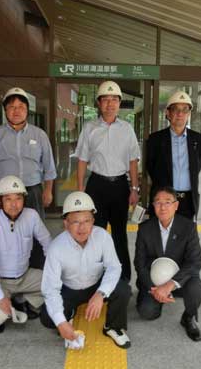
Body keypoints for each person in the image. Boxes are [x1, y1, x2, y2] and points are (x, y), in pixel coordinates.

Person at [40, 191, 132, 349]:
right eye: (75, 222)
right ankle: (68, 316)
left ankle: (113, 327)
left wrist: (101, 293)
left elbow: (114, 267)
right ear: (66, 223)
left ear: (93, 221)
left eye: (87, 221)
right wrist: (61, 323)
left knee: (123, 290)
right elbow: (50, 289)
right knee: (48, 318)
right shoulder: (56, 248)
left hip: (95, 285)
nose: (82, 227)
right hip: (69, 289)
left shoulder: (103, 236)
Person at [0, 87, 56, 269]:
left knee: (36, 233)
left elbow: (49, 166)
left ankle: (37, 271)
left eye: (21, 106)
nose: (16, 111)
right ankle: (9, 274)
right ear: (5, 110)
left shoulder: (39, 135)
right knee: (7, 234)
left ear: (27, 110)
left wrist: (47, 190)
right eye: (12, 107)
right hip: (5, 194)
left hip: (32, 191)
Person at [74, 81, 140, 281]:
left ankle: (124, 277)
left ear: (119, 103)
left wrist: (134, 188)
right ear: (99, 103)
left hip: (120, 186)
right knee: (95, 234)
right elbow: (82, 160)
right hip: (97, 186)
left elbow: (133, 161)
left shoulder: (127, 129)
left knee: (120, 234)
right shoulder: (89, 128)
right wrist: (80, 191)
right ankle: (95, 276)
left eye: (114, 100)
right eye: (105, 99)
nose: (110, 104)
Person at [0, 175, 52, 334]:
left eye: (18, 198)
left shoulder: (31, 215)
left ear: (24, 200)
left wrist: (54, 269)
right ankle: (4, 300)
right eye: (8, 199)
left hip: (24, 276)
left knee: (57, 282)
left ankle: (22, 300)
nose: (14, 204)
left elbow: (47, 242)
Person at [134, 186, 201, 341]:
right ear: (153, 206)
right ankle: (158, 300)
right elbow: (140, 263)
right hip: (153, 283)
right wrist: (155, 290)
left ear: (176, 205)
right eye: (158, 203)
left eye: (167, 202)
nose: (163, 207)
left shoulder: (188, 227)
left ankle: (188, 317)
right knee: (146, 312)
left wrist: (170, 285)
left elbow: (195, 262)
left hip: (178, 280)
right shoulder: (144, 229)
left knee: (196, 288)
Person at [146, 91, 201, 220]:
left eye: (185, 110)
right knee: (161, 238)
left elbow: (197, 166)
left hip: (188, 201)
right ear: (168, 113)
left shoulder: (198, 140)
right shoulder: (155, 139)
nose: (180, 114)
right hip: (163, 200)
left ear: (189, 114)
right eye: (176, 109)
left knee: (186, 238)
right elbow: (151, 167)